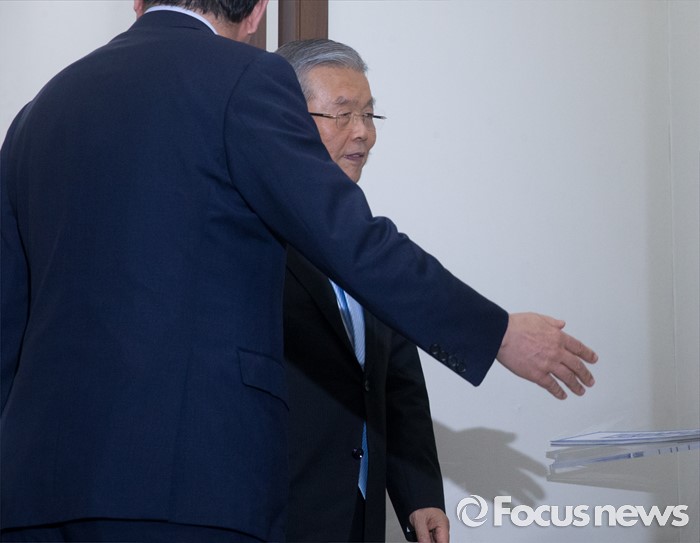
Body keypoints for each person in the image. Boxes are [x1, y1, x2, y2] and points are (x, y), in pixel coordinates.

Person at [0, 1, 597, 541]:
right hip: (186, 488)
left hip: (34, 489)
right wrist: (496, 332)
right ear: (257, 12)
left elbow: (9, 315)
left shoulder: (40, 110)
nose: (360, 132)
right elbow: (349, 236)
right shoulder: (246, 77)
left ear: (138, 1)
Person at [276, 39, 448, 543]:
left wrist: (419, 494)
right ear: (286, 121)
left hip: (359, 512)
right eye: (343, 113)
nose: (363, 133)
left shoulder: (368, 241)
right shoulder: (252, 238)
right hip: (278, 510)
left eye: (370, 114)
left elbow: (395, 380)